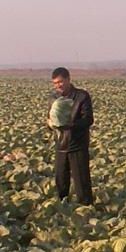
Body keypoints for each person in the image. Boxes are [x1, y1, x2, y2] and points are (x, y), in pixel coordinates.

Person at [48, 67, 94, 205]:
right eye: (55, 83)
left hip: (77, 145)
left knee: (81, 182)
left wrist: (70, 125)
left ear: (68, 79)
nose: (58, 85)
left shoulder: (82, 96)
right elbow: (49, 119)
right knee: (61, 180)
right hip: (61, 145)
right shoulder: (53, 99)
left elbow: (88, 120)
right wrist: (51, 124)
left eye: (61, 82)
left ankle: (86, 209)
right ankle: (63, 208)